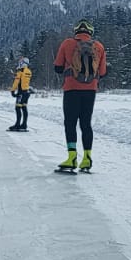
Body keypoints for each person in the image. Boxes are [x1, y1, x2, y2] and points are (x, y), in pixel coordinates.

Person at [53, 20, 108, 172]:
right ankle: (87, 158)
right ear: (90, 31)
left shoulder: (67, 43)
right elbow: (103, 73)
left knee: (70, 123)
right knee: (86, 124)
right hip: (90, 90)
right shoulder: (99, 46)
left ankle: (72, 158)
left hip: (71, 88)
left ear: (76, 30)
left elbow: (57, 67)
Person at [7, 57, 32, 131]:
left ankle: (17, 124)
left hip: (21, 93)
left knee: (17, 108)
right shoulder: (29, 71)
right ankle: (24, 124)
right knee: (24, 108)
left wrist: (13, 90)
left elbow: (16, 82)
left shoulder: (20, 71)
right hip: (27, 92)